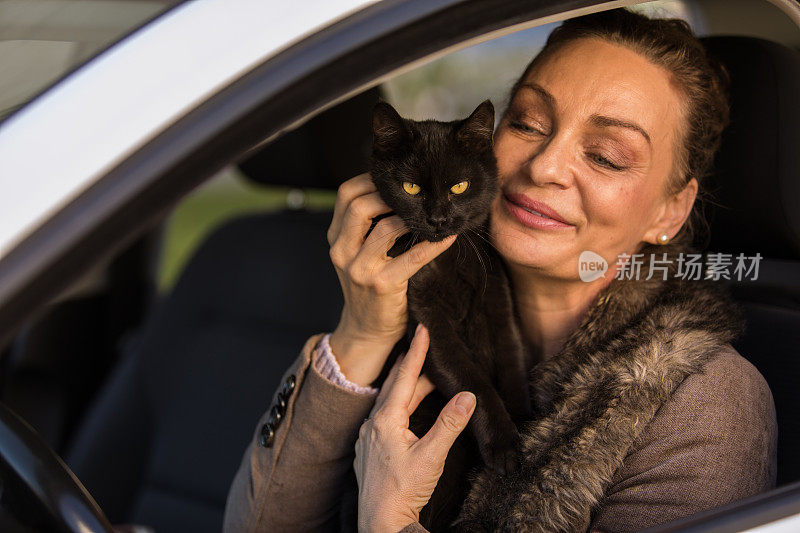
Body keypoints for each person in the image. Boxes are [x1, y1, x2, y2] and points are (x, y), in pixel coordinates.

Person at [223, 8, 777, 532]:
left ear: (669, 210)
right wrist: (362, 333)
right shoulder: (425, 286)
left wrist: (390, 517)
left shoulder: (707, 405)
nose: (545, 165)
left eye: (607, 155)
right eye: (528, 123)